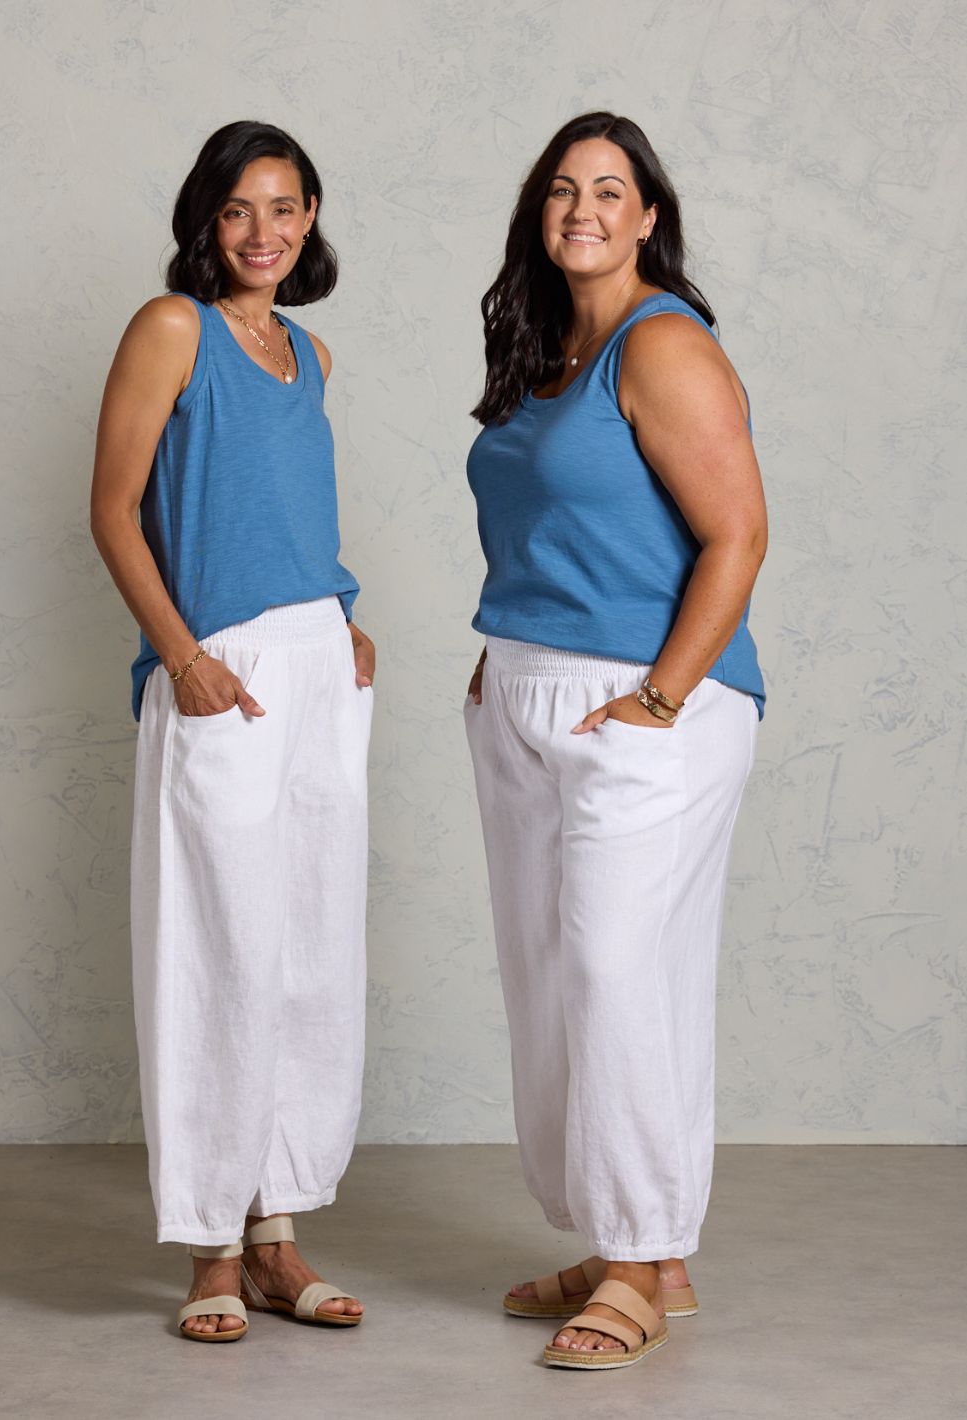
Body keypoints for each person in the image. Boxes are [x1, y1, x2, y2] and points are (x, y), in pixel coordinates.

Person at [463, 111, 766, 1371]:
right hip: (527, 695)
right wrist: (501, 654)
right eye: (562, 189)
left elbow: (737, 537)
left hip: (648, 705)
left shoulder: (666, 347)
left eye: (610, 190)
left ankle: (638, 1261)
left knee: (616, 973)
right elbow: (549, 534)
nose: (583, 208)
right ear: (540, 212)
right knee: (552, 984)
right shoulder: (543, 354)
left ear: (648, 217)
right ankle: (632, 1241)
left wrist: (659, 696)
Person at [90, 121, 374, 1342]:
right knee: (216, 943)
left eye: (287, 208)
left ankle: (275, 1233)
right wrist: (185, 656)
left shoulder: (307, 350)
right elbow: (112, 511)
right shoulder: (171, 330)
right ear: (205, 220)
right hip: (223, 666)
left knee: (309, 944)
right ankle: (208, 1245)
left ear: (311, 218)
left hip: (317, 662)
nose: (265, 233)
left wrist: (348, 614)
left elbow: (292, 499)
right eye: (239, 210)